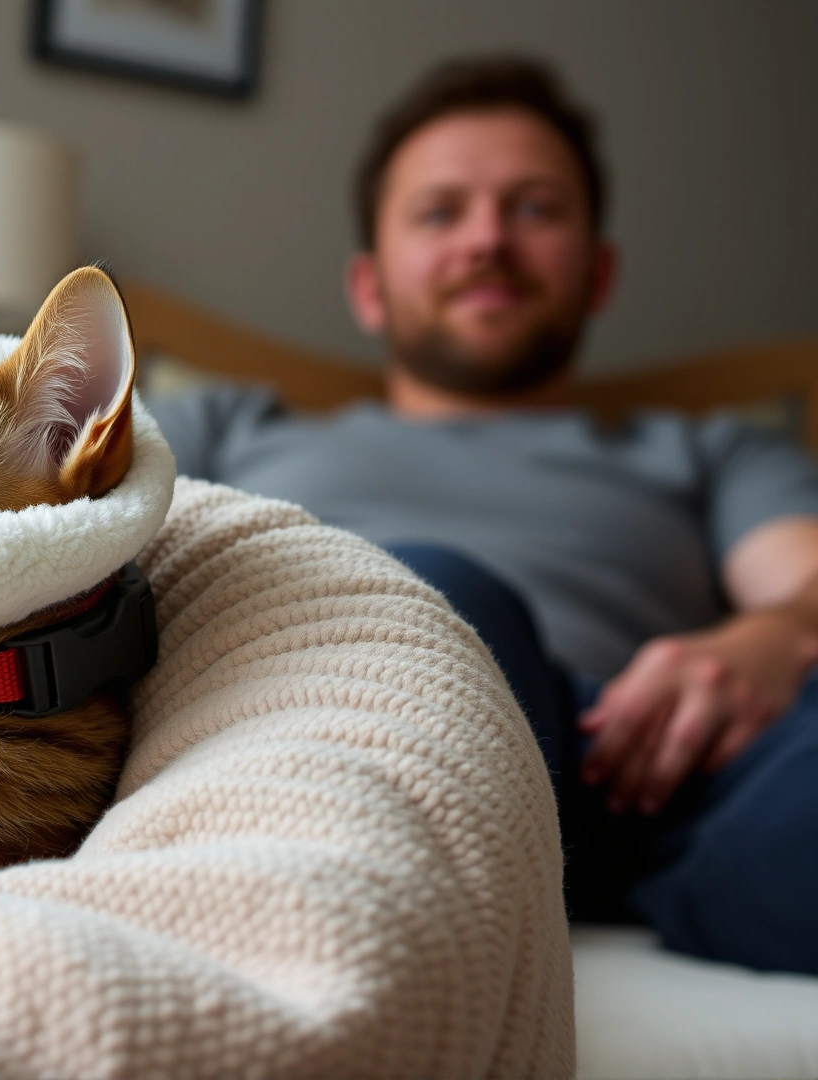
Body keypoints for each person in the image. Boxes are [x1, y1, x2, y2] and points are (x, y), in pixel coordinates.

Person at [147, 56, 818, 975]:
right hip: (312, 724)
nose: (488, 242)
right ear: (370, 284)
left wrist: (773, 639)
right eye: (440, 212)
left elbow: (806, 582)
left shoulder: (709, 452)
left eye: (535, 209)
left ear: (599, 272)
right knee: (436, 591)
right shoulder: (227, 424)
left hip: (635, 769)